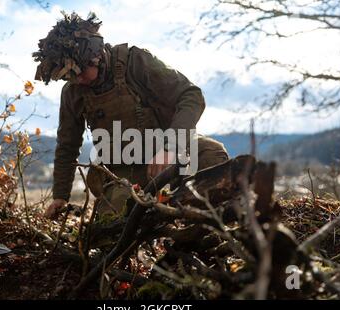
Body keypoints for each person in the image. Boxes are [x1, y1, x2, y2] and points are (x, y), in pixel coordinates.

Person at [33, 12, 229, 221]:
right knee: (111, 229)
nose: (77, 80)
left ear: (95, 57)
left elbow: (191, 96)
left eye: (80, 73)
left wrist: (170, 147)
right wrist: (60, 196)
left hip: (167, 157)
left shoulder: (136, 62)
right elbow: (67, 146)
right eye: (69, 77)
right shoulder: (72, 92)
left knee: (213, 157)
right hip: (121, 176)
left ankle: (193, 219)